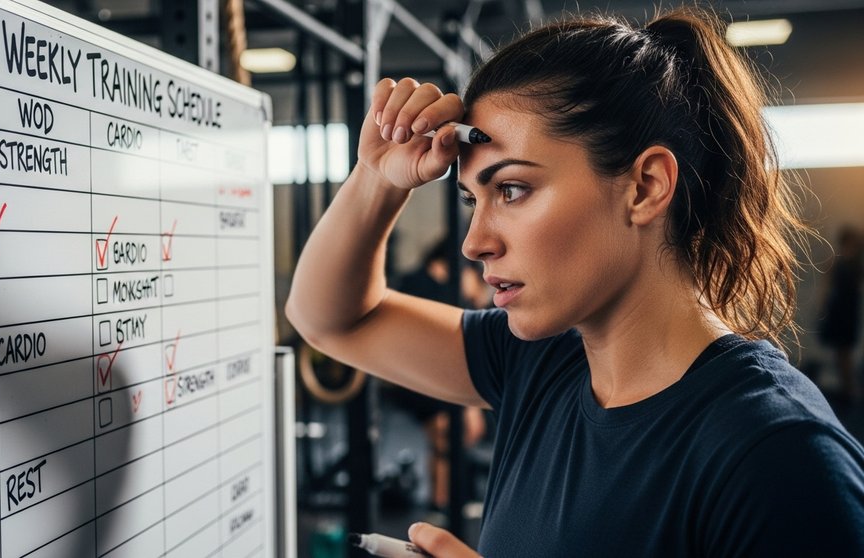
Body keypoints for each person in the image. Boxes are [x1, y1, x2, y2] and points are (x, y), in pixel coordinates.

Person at [286, 6, 864, 557]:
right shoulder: (541, 362)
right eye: (472, 198)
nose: (474, 241)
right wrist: (377, 179)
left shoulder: (778, 455)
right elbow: (333, 320)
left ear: (644, 187)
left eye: (511, 190)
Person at [393, 240, 488, 514]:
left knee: (448, 438)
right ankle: (443, 501)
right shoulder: (423, 283)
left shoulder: (430, 280)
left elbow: (478, 310)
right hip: (425, 375)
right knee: (449, 434)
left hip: (425, 373)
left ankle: (441, 500)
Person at [819, 226, 863, 403]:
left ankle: (848, 386)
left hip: (849, 311)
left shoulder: (857, 265)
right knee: (840, 349)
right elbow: (826, 285)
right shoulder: (836, 262)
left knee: (845, 350)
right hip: (838, 311)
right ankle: (847, 387)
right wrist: (823, 308)